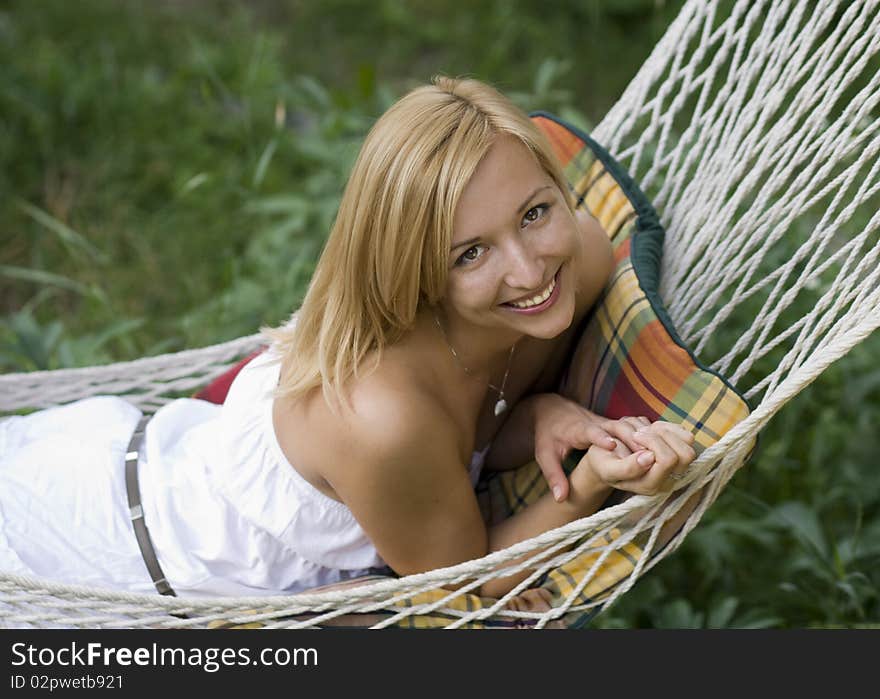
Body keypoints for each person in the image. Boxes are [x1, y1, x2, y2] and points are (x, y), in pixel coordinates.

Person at [0, 76, 696, 601]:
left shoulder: (580, 255)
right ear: (418, 269)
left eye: (535, 211)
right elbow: (470, 579)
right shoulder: (385, 417)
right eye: (471, 254)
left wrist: (537, 413)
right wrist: (589, 481)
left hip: (153, 450)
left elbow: (467, 432)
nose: (529, 268)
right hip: (108, 559)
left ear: (556, 184)